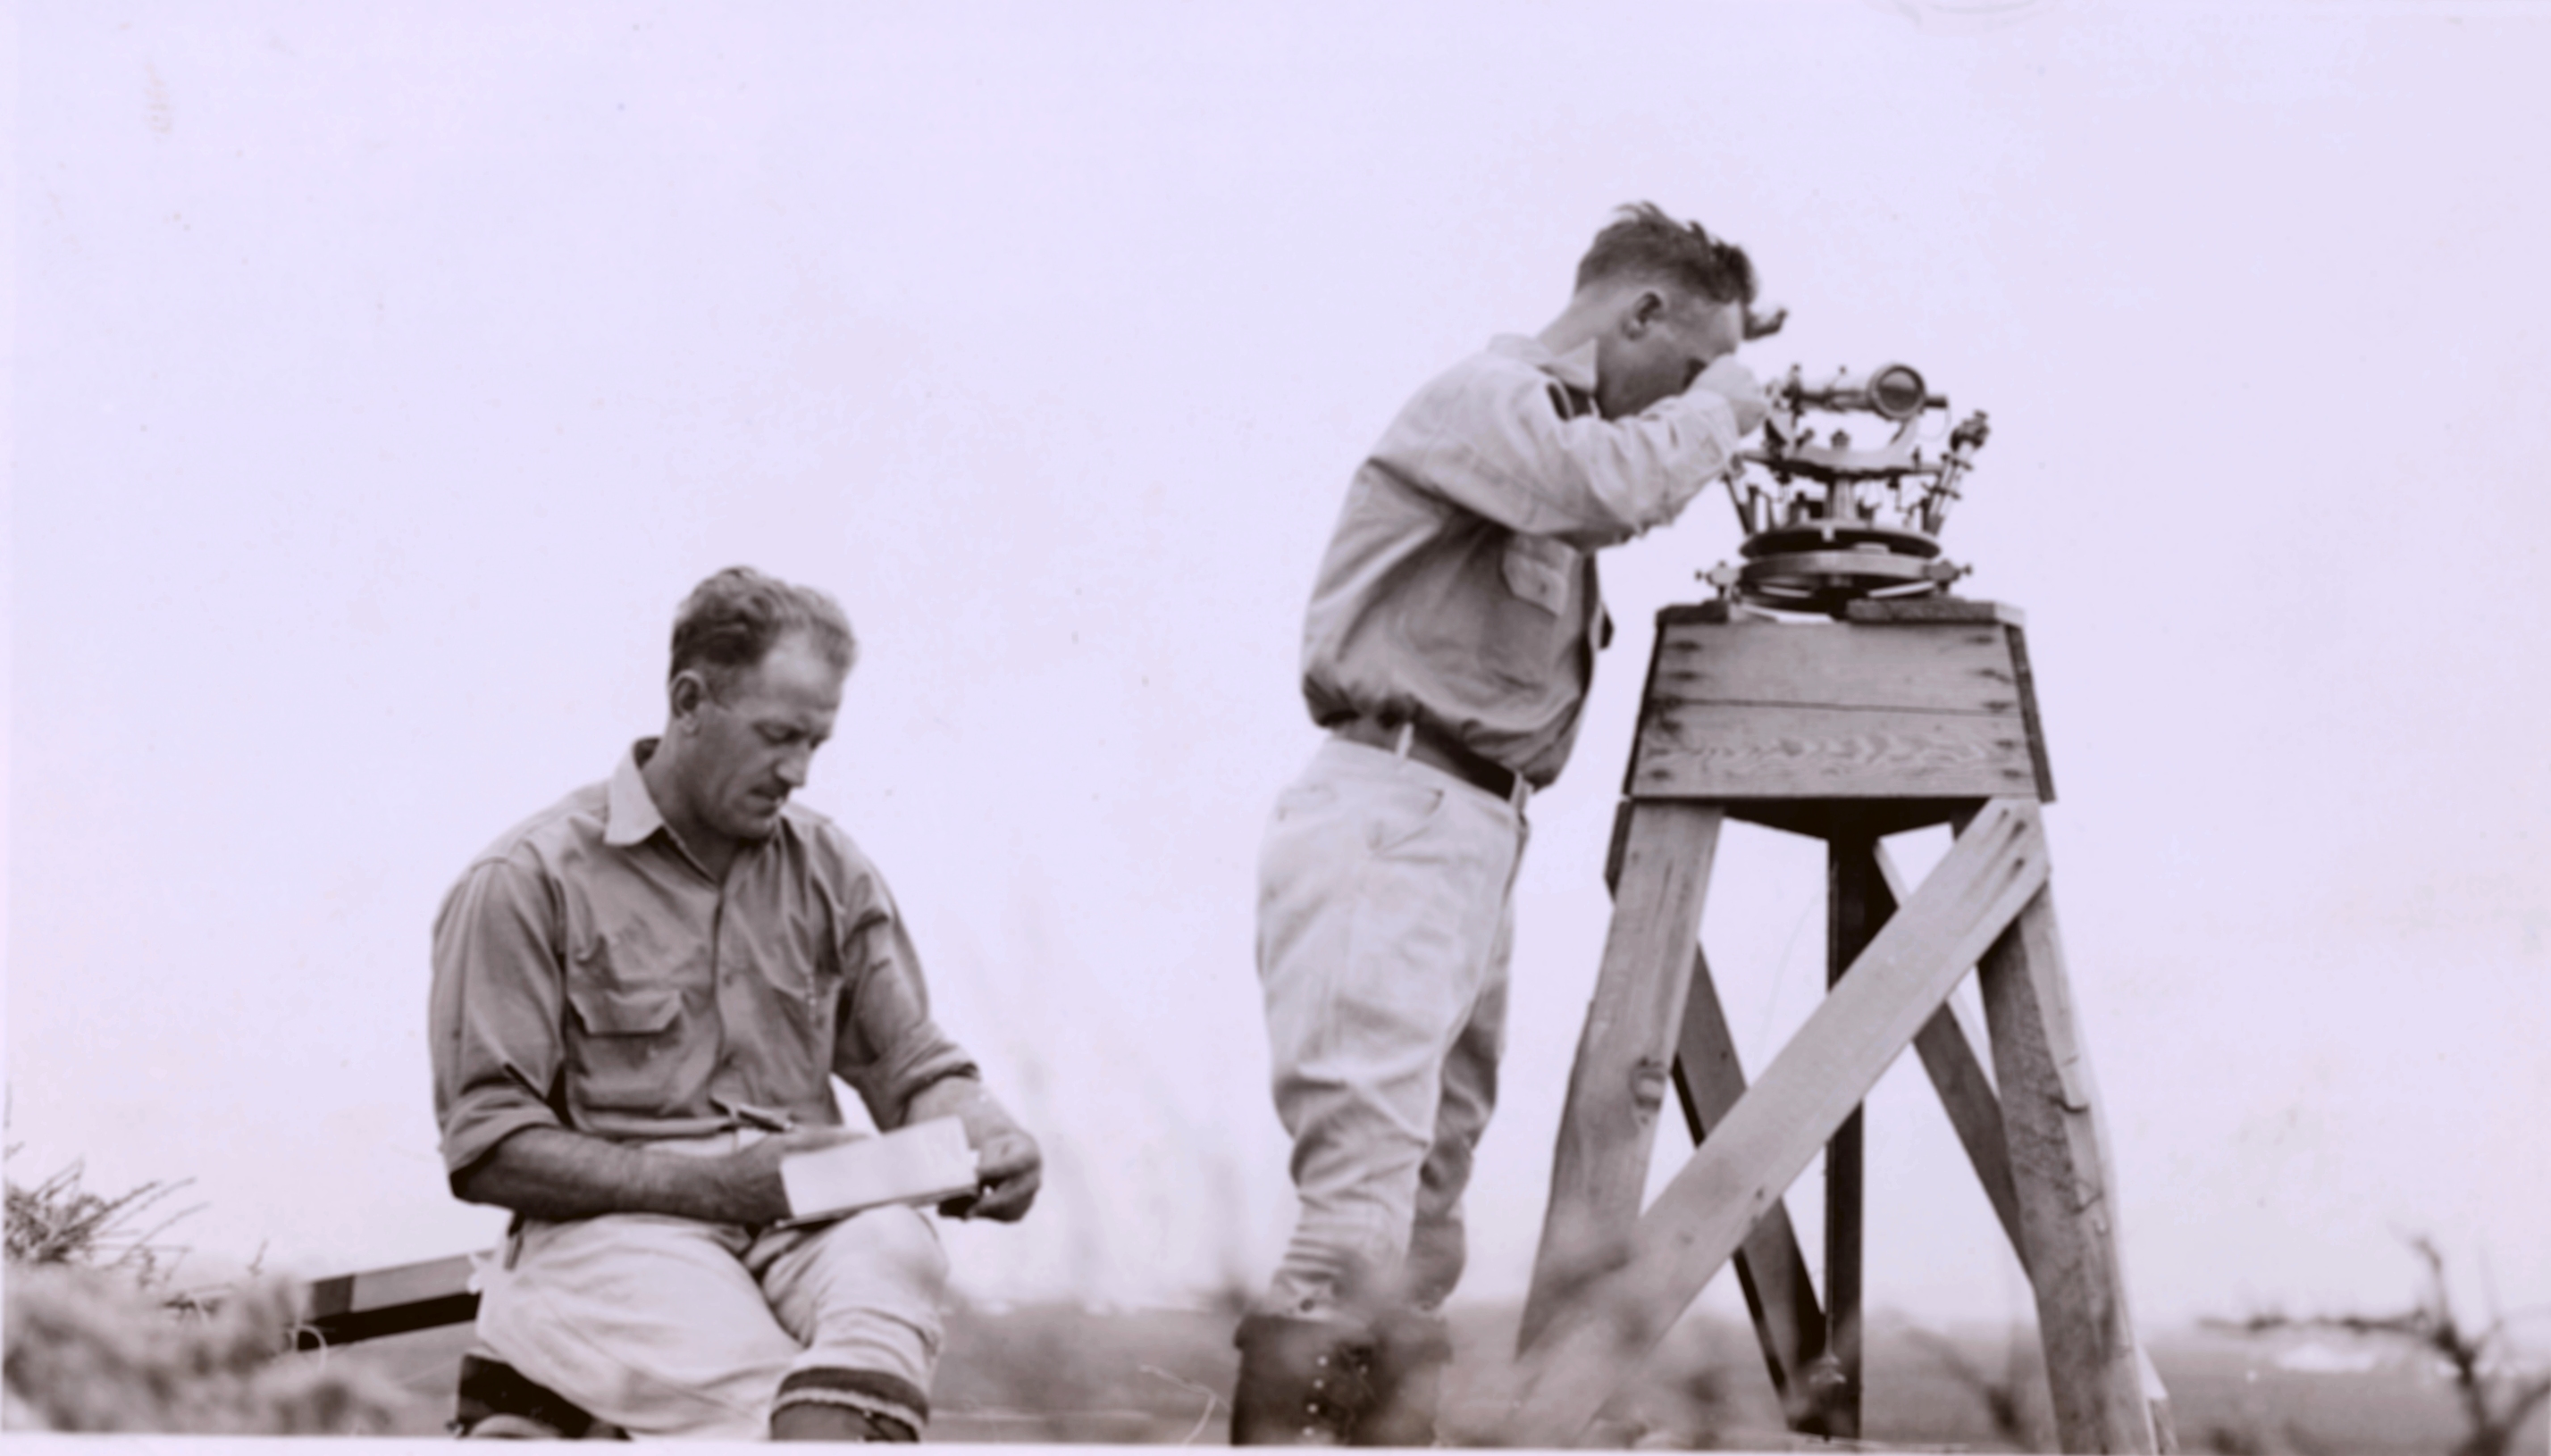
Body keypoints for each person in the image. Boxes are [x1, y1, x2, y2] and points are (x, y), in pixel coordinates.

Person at [1234, 203, 1776, 1444]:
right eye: (1683, 361)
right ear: (1637, 313)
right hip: (1392, 811)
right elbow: (1597, 491)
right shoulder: (1487, 400)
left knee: (1419, 1223)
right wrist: (1726, 404)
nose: (1685, 397)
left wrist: (1705, 379)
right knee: (1355, 1215)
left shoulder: (1553, 427)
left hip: (1464, 830)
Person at [428, 566, 1042, 1442]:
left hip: (811, 1219)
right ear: (689, 702)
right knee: (771, 1414)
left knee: (893, 1254)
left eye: (816, 743)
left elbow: (909, 1064)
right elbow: (488, 1148)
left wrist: (984, 1129)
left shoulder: (831, 868)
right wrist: (716, 1183)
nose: (797, 771)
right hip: (615, 1238)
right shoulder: (523, 881)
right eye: (777, 735)